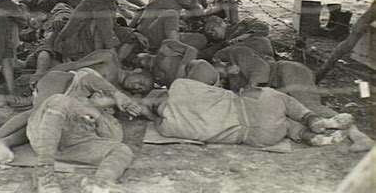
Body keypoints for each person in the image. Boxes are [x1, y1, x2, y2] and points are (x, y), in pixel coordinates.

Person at [0, 68, 142, 193]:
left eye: (106, 96)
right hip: (44, 136)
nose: (99, 92)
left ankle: (101, 183)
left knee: (123, 150)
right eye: (99, 91)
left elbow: (113, 139)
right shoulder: (72, 94)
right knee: (59, 101)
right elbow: (90, 79)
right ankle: (44, 174)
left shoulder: (107, 117)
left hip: (72, 147)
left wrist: (96, 115)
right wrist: (116, 94)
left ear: (112, 109)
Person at [140, 79, 356, 148]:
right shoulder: (179, 86)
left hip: (259, 137)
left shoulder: (167, 128)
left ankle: (313, 137)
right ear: (164, 93)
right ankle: (316, 119)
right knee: (279, 99)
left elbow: (157, 123)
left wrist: (151, 116)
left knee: (285, 128)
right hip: (257, 108)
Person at [212, 45, 348, 119]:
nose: (220, 77)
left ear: (218, 61)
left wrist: (248, 91)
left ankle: (355, 133)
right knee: (301, 112)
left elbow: (262, 70)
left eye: (218, 73)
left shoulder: (236, 53)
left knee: (311, 106)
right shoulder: (231, 74)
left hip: (287, 71)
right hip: (281, 82)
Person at [47, 0, 149, 62]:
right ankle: (112, 64)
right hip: (71, 45)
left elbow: (112, 27)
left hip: (83, 40)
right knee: (98, 27)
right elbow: (107, 33)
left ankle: (114, 62)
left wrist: (134, 33)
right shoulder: (99, 2)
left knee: (131, 37)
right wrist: (111, 56)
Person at [30, 48, 154, 95]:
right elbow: (73, 65)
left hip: (67, 94)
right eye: (141, 82)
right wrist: (40, 75)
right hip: (60, 81)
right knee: (43, 56)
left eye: (140, 89)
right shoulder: (109, 58)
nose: (137, 87)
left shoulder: (117, 90)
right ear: (137, 70)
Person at [137, 39, 219, 87]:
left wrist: (182, 68)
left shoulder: (165, 46)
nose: (136, 61)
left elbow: (192, 51)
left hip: (198, 73)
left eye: (135, 57)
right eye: (133, 63)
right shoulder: (153, 78)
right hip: (188, 90)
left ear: (146, 51)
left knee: (198, 64)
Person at [198, 15, 271, 60]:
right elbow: (206, 53)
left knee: (262, 41)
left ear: (222, 23)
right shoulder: (221, 44)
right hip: (248, 57)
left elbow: (263, 27)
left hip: (257, 44)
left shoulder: (243, 23)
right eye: (209, 33)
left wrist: (246, 35)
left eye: (212, 29)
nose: (212, 34)